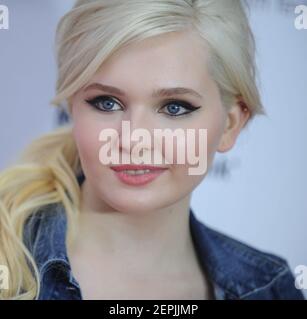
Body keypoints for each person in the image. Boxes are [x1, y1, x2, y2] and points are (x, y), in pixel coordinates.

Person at [0, 0, 304, 300]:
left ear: (230, 124)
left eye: (174, 107)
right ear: (73, 108)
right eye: (107, 102)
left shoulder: (272, 288)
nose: (134, 140)